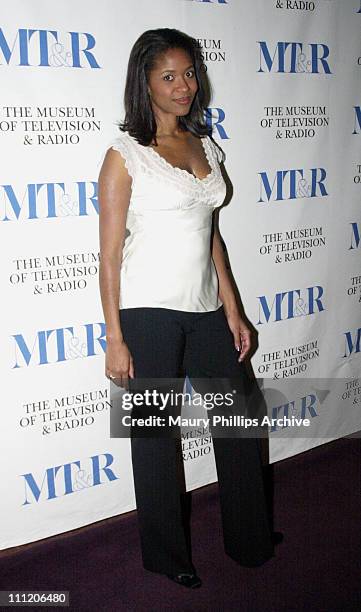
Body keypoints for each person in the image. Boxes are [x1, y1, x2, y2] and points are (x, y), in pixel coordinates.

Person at [98, 28, 275, 589]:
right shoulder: (125, 154)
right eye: (168, 75)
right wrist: (115, 336)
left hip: (204, 311)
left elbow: (212, 237)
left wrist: (233, 309)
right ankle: (167, 555)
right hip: (147, 311)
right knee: (154, 439)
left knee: (241, 422)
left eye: (190, 72)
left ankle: (249, 538)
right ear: (143, 82)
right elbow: (107, 257)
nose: (183, 85)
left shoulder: (206, 145)